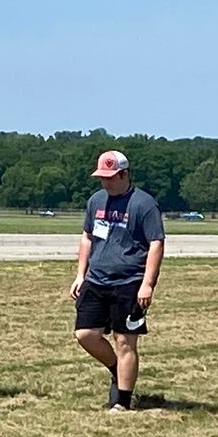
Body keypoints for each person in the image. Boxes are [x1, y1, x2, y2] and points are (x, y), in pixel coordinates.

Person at [70, 149, 165, 412]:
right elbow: (87, 236)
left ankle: (122, 400)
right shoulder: (96, 201)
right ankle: (116, 368)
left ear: (124, 174)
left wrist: (148, 283)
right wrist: (80, 274)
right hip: (96, 279)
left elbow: (156, 242)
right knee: (85, 335)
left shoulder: (144, 204)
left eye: (111, 177)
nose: (105, 183)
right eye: (102, 177)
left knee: (125, 340)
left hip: (129, 281)